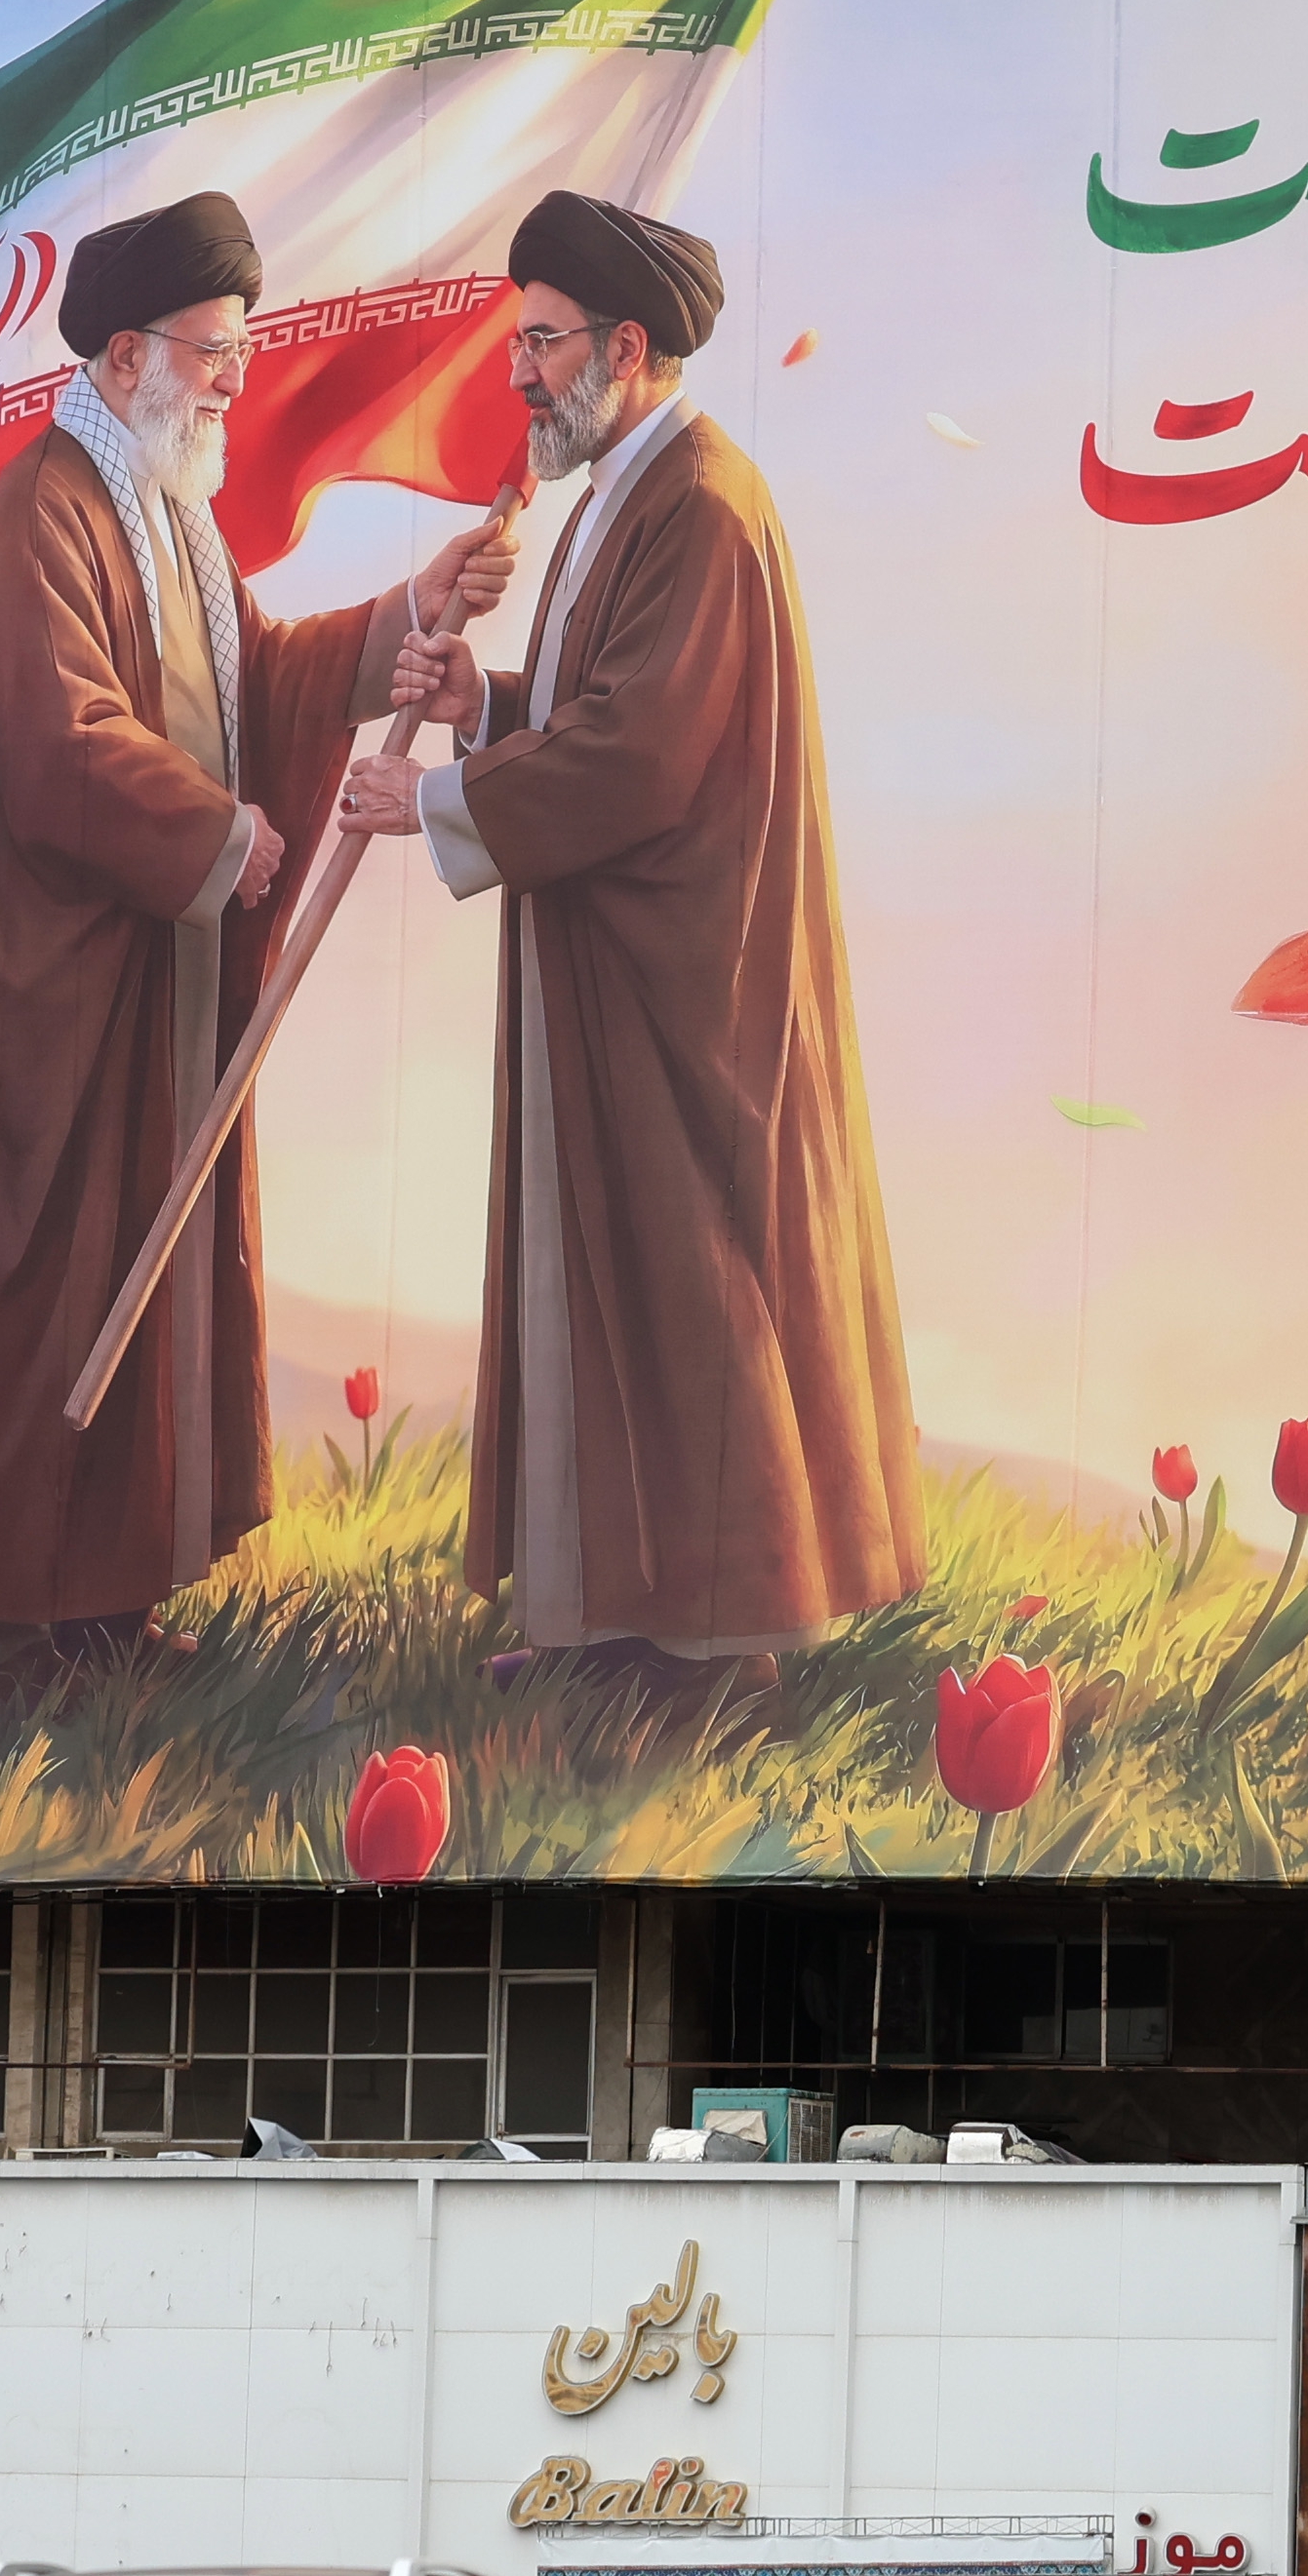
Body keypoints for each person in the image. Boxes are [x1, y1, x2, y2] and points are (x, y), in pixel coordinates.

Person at [0, 192, 517, 1671]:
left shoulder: (164, 515)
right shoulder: (46, 515)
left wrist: (416, 603)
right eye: (213, 351)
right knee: (40, 1292)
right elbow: (61, 741)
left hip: (143, 992)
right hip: (50, 1011)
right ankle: (12, 1636)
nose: (232, 380)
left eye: (240, 354)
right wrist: (217, 832)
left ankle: (107, 1609)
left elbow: (252, 679)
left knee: (130, 1286)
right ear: (128, 351)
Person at [337, 190, 919, 1693]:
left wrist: (436, 793)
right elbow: (602, 709)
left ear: (628, 345)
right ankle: (616, 1631)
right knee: (615, 1294)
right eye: (519, 342)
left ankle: (717, 1661)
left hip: (691, 990)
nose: (518, 373)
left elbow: (650, 754)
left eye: (540, 344)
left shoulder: (706, 504)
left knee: (690, 1292)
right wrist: (494, 711)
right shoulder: (618, 493)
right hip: (621, 966)